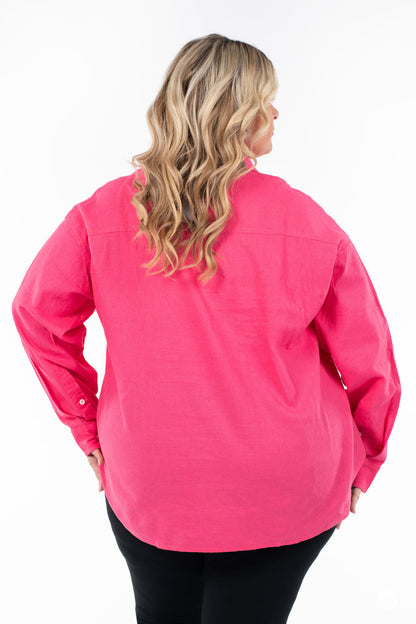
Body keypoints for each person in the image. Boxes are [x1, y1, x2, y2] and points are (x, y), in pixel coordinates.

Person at [11, 33, 401, 624]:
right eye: (266, 101)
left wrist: (88, 428)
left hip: (150, 483)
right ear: (236, 115)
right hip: (284, 486)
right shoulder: (308, 223)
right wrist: (365, 460)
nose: (277, 114)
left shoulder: (103, 214)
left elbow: (37, 315)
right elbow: (372, 362)